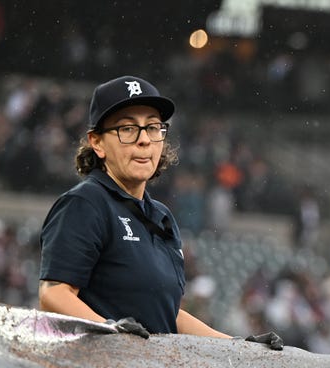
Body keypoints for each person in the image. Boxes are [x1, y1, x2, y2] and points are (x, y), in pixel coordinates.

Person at [37, 75, 281, 350]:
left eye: (153, 128)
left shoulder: (161, 216)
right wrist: (108, 329)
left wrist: (238, 345)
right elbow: (54, 293)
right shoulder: (85, 203)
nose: (144, 140)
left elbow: (169, 315)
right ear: (97, 142)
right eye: (127, 129)